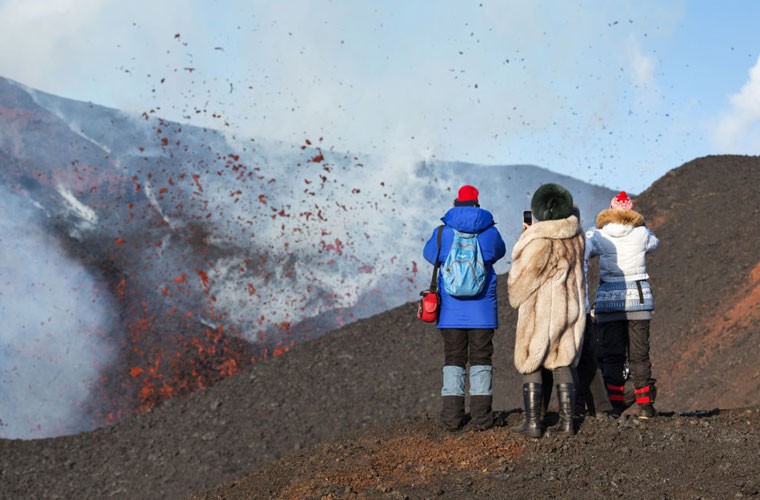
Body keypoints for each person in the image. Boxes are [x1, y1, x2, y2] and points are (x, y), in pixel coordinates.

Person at [423, 185, 506, 431]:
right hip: (482, 312)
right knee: (481, 360)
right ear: (477, 204)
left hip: (450, 312)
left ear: (456, 203)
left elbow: (429, 256)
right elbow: (498, 253)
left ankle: (452, 418)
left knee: (454, 360)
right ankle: (481, 418)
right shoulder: (489, 232)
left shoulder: (443, 233)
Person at [507, 183, 586, 438]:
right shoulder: (577, 236)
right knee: (562, 359)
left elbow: (519, 284)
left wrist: (525, 239)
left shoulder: (538, 240)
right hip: (568, 308)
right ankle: (567, 423)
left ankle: (533, 423)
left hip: (541, 310)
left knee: (532, 359)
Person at [585, 191, 660, 418]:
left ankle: (615, 406)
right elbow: (655, 243)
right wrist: (642, 224)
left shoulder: (599, 234)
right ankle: (645, 406)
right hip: (639, 301)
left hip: (609, 303)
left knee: (612, 357)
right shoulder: (641, 233)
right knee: (640, 356)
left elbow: (586, 247)